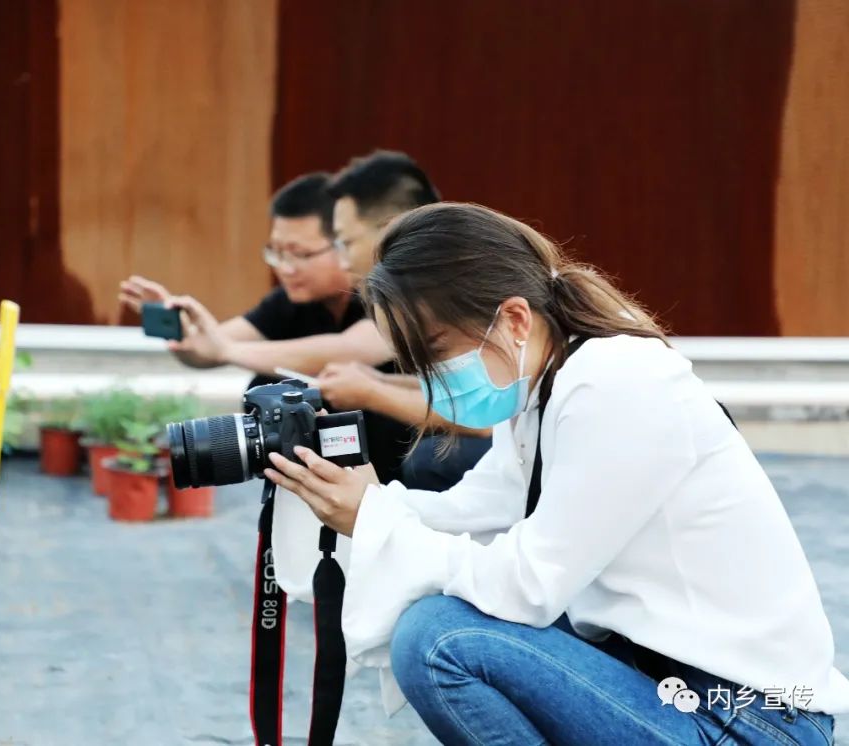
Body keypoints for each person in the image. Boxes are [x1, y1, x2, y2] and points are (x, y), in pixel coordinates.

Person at [263, 202, 847, 744]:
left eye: (438, 351)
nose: (435, 379)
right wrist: (354, 500)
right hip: (668, 687)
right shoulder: (547, 388)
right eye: (418, 364)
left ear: (514, 318)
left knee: (441, 640)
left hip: (748, 719)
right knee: (440, 624)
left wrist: (376, 519)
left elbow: (530, 585)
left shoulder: (614, 383)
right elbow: (473, 515)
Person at [119, 171, 409, 482]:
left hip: (407, 476)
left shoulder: (394, 292)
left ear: (345, 242)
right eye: (277, 252)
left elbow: (350, 349)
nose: (284, 267)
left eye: (299, 254)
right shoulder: (291, 303)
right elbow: (207, 352)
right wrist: (178, 328)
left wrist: (226, 349)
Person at [321, 151, 493, 490]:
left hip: (542, 438)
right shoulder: (424, 282)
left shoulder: (451, 284)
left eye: (347, 242)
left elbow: (486, 416)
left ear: (387, 230)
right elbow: (459, 387)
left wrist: (372, 392)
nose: (342, 260)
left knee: (433, 459)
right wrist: (375, 383)